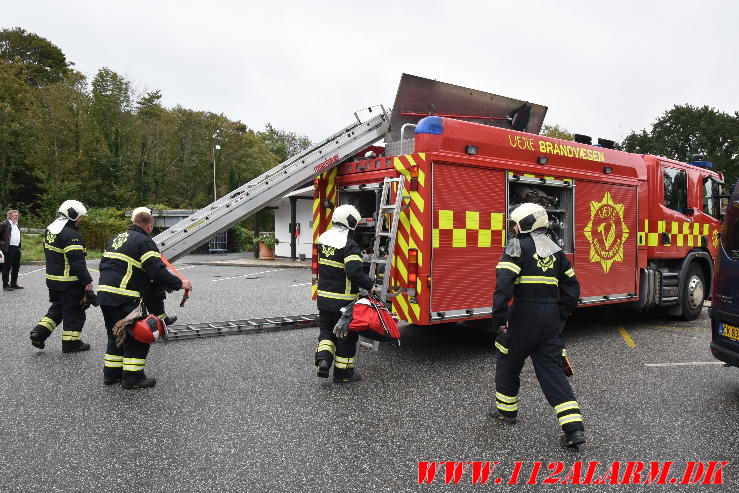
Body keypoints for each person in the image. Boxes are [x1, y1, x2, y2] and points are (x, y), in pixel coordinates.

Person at [491, 202, 585, 447]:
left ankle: (507, 412)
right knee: (553, 372)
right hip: (549, 320)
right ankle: (574, 429)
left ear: (524, 223)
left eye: (514, 223)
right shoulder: (556, 251)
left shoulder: (515, 246)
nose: (512, 227)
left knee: (508, 362)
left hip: (522, 317)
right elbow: (572, 288)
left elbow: (503, 284)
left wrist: (499, 319)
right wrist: (560, 315)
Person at [97, 207, 192, 389]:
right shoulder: (144, 241)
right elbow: (156, 270)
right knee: (138, 337)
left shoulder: (117, 238)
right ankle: (133, 378)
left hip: (105, 294)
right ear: (149, 227)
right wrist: (180, 284)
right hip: (125, 296)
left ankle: (111, 375)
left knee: (115, 334)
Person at [315, 204, 375, 383]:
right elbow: (354, 272)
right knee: (345, 337)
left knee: (327, 332)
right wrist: (370, 285)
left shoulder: (323, 239)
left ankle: (324, 361)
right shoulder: (349, 245)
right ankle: (343, 375)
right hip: (344, 302)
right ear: (352, 222)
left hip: (324, 299)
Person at [30, 201, 95, 352]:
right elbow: (77, 263)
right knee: (75, 313)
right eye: (80, 217)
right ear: (73, 215)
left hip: (53, 281)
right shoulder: (71, 234)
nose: (81, 220)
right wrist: (88, 282)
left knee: (58, 309)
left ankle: (39, 333)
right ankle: (71, 344)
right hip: (69, 282)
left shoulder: (51, 230)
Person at [1, 209, 23, 291]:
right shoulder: (4, 224)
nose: (17, 217)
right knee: (7, 267)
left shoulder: (16, 224)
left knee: (16, 266)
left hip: (16, 248)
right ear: (10, 216)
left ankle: (13, 283)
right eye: (15, 215)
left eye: (17, 215)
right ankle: (5, 285)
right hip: (8, 248)